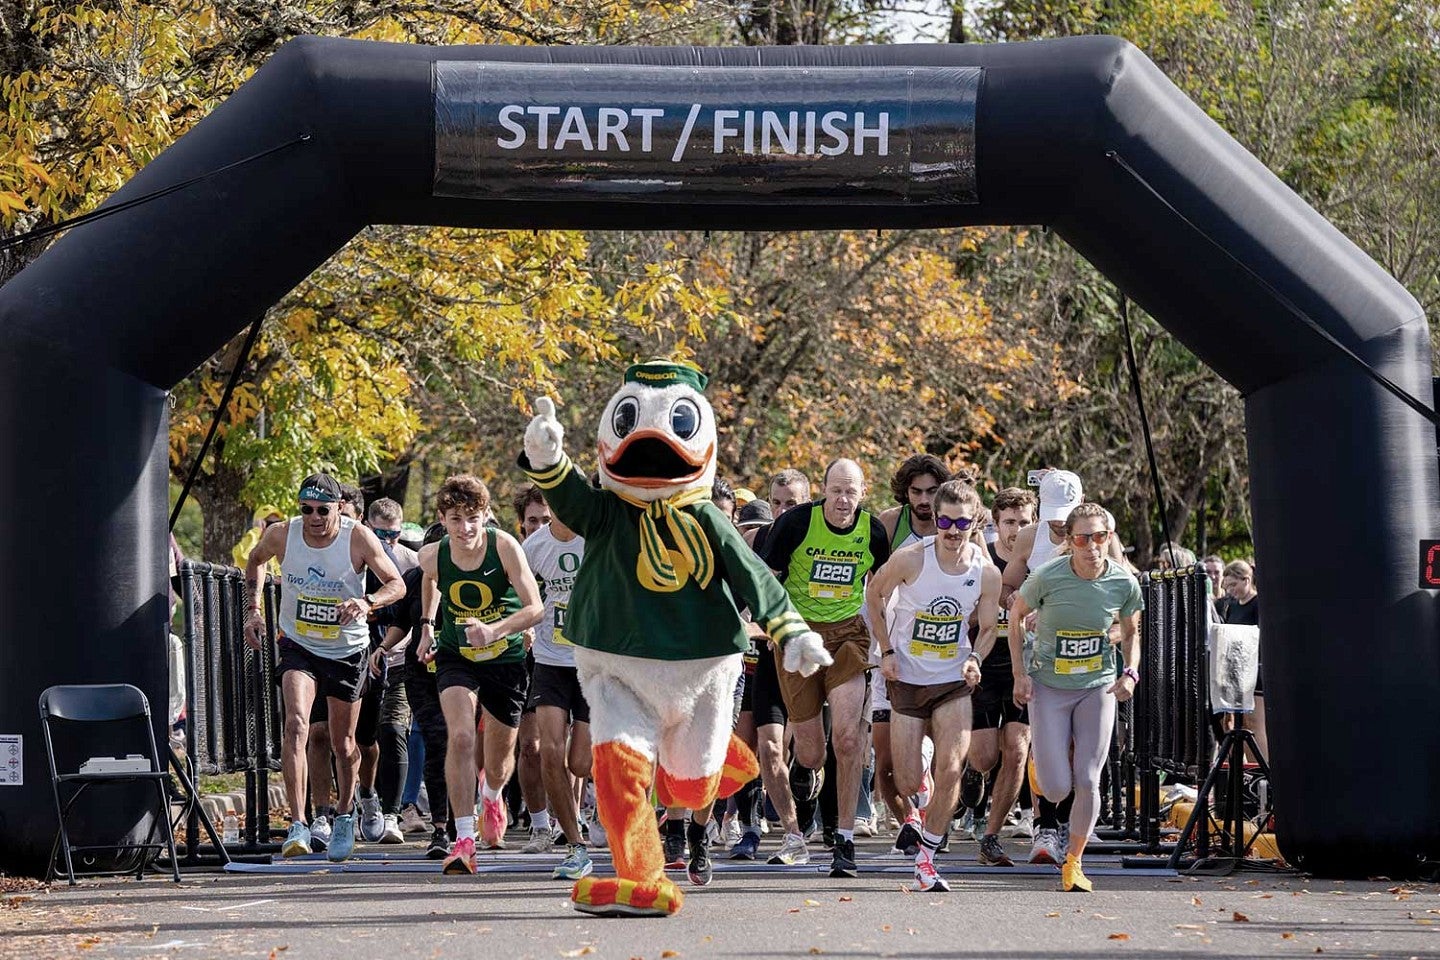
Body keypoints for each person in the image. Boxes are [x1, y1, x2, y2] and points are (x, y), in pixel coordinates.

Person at [243, 473, 404, 862]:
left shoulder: (358, 538)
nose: (314, 517)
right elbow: (255, 560)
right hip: (298, 644)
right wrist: (252, 611)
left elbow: (396, 583)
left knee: (344, 743)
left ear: (337, 508)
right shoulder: (284, 534)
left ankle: (346, 814)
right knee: (297, 724)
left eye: (323, 510)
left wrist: (367, 603)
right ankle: (299, 824)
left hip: (347, 650)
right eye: (307, 509)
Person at [760, 458, 891, 878]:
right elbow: (765, 579)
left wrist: (889, 640)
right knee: (813, 751)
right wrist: (768, 625)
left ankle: (845, 839)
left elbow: (885, 586)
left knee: (849, 739)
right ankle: (805, 769)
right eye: (836, 490)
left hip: (848, 635)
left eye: (851, 491)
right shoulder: (796, 524)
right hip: (798, 636)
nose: (843, 500)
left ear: (862, 492)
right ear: (823, 490)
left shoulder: (872, 531)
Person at [868, 480, 1000, 891]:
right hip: (907, 678)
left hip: (951, 680)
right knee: (906, 780)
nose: (952, 530)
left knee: (951, 768)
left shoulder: (986, 572)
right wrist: (887, 651)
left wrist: (976, 657)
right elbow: (873, 596)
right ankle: (918, 794)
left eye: (961, 522)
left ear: (974, 522)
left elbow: (990, 625)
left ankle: (926, 860)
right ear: (935, 520)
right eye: (944, 520)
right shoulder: (911, 560)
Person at [1010, 502, 1142, 893]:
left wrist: (1130, 672)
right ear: (1070, 541)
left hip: (1096, 685)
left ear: (1109, 538)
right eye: (1082, 538)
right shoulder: (1048, 577)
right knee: (1056, 788)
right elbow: (1016, 617)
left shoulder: (1123, 582)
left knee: (1087, 777)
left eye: (1099, 537)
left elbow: (1132, 631)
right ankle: (1040, 764)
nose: (1091, 546)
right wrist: (1019, 674)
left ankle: (1074, 863)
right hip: (1048, 686)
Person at [416, 475, 544, 874]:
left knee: (501, 758)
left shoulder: (504, 546)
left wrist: (497, 630)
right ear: (443, 519)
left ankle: (491, 794)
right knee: (461, 735)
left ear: (485, 516)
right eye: (455, 519)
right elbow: (431, 580)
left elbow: (535, 607)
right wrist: (426, 625)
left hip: (504, 656)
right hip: (458, 656)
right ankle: (463, 838)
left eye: (472, 518)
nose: (465, 528)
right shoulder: (432, 555)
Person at [743, 469, 817, 864]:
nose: (783, 510)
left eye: (793, 503)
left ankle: (811, 772)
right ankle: (792, 837)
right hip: (770, 658)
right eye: (777, 503)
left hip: (810, 657)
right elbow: (739, 599)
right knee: (769, 747)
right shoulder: (754, 542)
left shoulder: (821, 538)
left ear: (807, 502)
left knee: (809, 752)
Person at [521, 510, 594, 881]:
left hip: (594, 661)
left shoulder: (595, 537)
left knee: (581, 763)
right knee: (549, 749)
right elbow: (517, 594)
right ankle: (575, 844)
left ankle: (601, 807)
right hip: (550, 660)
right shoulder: (533, 547)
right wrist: (518, 627)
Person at [967, 486, 1038, 866]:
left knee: (1017, 749)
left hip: (1022, 671)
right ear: (996, 524)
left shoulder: (1040, 561)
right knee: (983, 757)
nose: (1015, 529)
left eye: (1024, 522)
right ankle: (974, 777)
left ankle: (991, 837)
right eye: (1008, 522)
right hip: (985, 667)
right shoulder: (983, 562)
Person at [357, 497, 419, 844]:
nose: (387, 542)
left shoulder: (410, 563)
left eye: (394, 535)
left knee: (395, 731)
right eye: (380, 533)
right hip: (354, 661)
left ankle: (393, 815)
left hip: (396, 660)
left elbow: (412, 614)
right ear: (367, 526)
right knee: (360, 741)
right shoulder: (354, 559)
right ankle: (360, 803)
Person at [510, 484, 554, 856]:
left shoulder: (574, 548)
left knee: (570, 751)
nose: (539, 527)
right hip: (527, 657)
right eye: (532, 521)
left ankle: (574, 815)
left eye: (546, 520)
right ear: (521, 524)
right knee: (530, 747)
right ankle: (540, 825)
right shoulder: (516, 555)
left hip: (569, 655)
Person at [1219, 560, 1265, 757]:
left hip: (1256, 671)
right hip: (1237, 672)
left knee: (1255, 723)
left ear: (1247, 580)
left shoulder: (1258, 604)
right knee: (1241, 724)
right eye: (1227, 586)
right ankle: (1250, 771)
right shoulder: (1232, 606)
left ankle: (1263, 772)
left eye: (1233, 585)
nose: (1230, 590)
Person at [880, 454, 951, 549]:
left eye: (932, 491)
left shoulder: (955, 524)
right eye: (916, 492)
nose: (924, 500)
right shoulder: (889, 521)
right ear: (906, 492)